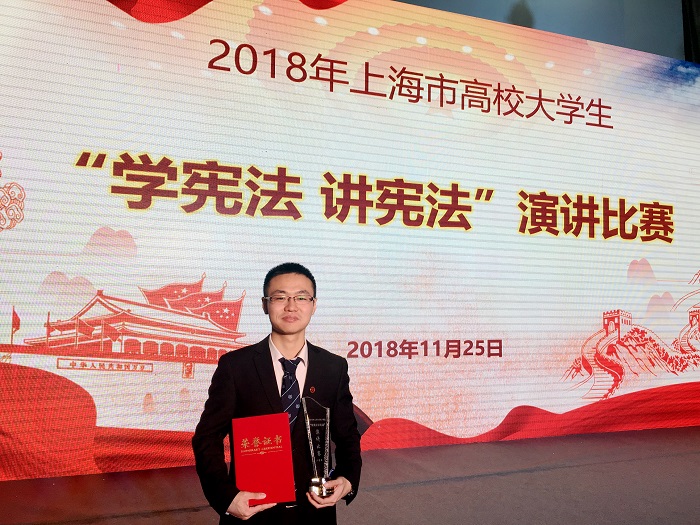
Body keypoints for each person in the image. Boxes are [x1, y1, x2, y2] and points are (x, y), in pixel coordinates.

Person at [193, 262, 362, 524]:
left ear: (314, 305)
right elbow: (207, 437)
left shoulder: (334, 367)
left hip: (315, 513)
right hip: (252, 513)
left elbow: (347, 435)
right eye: (280, 297)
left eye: (301, 297)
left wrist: (347, 479)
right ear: (265, 304)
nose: (291, 306)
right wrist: (225, 497)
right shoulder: (236, 366)